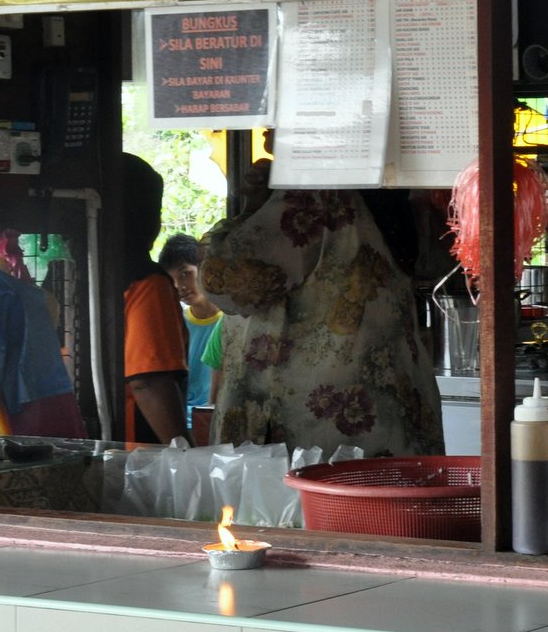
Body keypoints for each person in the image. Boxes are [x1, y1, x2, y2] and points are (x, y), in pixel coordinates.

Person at [200, 132, 443, 456]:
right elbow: (438, 257)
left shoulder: (310, 194)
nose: (270, 134)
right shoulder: (387, 189)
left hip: (317, 436)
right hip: (388, 421)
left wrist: (251, 210)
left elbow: (226, 285)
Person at [120, 154, 191, 446]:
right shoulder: (147, 283)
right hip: (138, 456)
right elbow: (149, 382)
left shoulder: (73, 273)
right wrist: (187, 457)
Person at [157, 233, 222, 426]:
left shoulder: (230, 324)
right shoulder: (175, 322)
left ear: (204, 270)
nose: (179, 286)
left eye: (185, 274)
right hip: (180, 422)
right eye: (172, 280)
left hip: (212, 417)